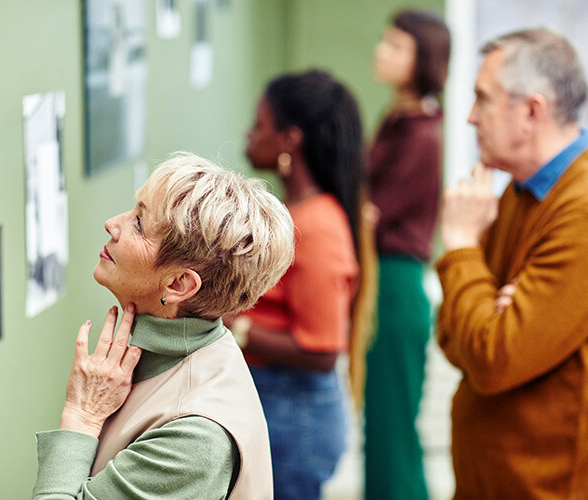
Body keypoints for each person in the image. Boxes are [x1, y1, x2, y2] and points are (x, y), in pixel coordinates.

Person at [31, 153, 295, 500]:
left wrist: (82, 415)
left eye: (139, 224)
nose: (112, 224)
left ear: (179, 284)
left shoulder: (195, 440)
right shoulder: (197, 349)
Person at [437, 28, 588, 499]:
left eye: (483, 99)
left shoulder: (587, 209)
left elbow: (492, 360)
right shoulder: (518, 191)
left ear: (531, 111)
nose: (469, 117)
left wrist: (461, 246)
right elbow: (452, 337)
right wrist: (487, 311)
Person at [228, 70, 370, 500]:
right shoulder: (296, 214)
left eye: (259, 125)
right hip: (279, 402)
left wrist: (234, 325)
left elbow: (322, 351)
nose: (249, 135)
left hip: (295, 414)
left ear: (290, 140)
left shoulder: (317, 226)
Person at [363, 9, 450, 500]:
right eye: (386, 41)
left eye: (397, 46)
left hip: (397, 285)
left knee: (393, 434)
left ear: (423, 60)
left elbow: (371, 214)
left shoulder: (422, 135)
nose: (382, 51)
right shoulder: (398, 121)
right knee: (383, 432)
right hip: (384, 282)